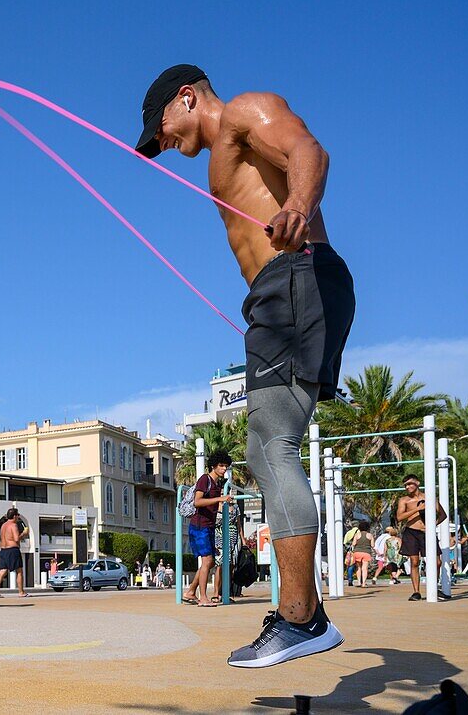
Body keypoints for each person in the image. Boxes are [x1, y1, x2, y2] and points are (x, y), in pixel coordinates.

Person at [135, 64, 354, 666]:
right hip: (282, 291)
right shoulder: (219, 158)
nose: (164, 147)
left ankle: (300, 620)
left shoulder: (241, 112)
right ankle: (305, 618)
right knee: (266, 448)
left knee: (271, 445)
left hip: (296, 276)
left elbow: (307, 148)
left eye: (160, 132)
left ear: (186, 98)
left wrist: (301, 206)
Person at [183, 451, 233, 607]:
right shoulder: (205, 479)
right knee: (207, 561)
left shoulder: (218, 483)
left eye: (226, 466)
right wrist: (220, 499)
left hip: (209, 526)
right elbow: (198, 502)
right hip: (200, 526)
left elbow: (212, 505)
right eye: (221, 466)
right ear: (214, 465)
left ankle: (191, 591)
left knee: (210, 563)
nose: (224, 469)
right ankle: (203, 598)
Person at [396, 473, 447, 601]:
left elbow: (442, 515)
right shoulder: (404, 500)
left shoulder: (429, 497)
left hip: (426, 532)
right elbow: (400, 517)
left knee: (437, 562)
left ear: (417, 483)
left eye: (410, 483)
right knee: (414, 561)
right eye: (406, 485)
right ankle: (416, 592)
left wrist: (432, 525)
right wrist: (417, 510)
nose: (408, 487)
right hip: (411, 531)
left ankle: (434, 588)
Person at [0, 508, 30, 598]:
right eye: (17, 515)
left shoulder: (3, 525)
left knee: (2, 571)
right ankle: (21, 592)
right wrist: (24, 533)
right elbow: (16, 539)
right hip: (12, 550)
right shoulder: (13, 525)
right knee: (19, 571)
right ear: (14, 516)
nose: (18, 517)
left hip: (3, 550)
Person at [214, 501, 248, 599]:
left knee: (231, 567)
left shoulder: (235, 506)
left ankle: (225, 592)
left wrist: (243, 539)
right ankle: (216, 593)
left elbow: (239, 524)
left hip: (233, 538)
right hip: (220, 537)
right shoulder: (215, 505)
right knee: (219, 565)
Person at [349, 521, 375, 588]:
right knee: (364, 568)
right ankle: (364, 583)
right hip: (366, 552)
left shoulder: (357, 535)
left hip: (357, 552)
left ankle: (359, 582)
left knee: (358, 567)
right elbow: (372, 545)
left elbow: (353, 544)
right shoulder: (370, 535)